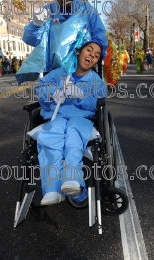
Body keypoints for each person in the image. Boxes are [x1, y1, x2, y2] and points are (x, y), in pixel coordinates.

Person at [35, 41, 107, 205]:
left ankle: (73, 181)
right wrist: (54, 92)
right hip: (57, 116)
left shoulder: (95, 80)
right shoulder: (59, 73)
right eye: (89, 50)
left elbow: (98, 102)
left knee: (73, 134)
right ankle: (52, 189)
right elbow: (40, 88)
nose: (92, 56)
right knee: (52, 135)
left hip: (81, 118)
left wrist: (81, 95)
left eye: (96, 56)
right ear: (78, 52)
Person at [16, 0, 108, 85]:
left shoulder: (86, 9)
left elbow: (100, 37)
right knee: (53, 101)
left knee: (83, 101)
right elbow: (30, 40)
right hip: (54, 74)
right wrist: (36, 24)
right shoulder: (48, 10)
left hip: (82, 71)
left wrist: (93, 52)